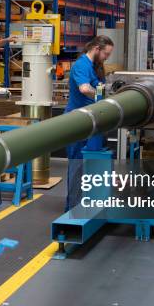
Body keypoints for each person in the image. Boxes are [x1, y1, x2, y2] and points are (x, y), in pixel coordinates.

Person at [64, 35, 114, 211]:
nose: (107, 57)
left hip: (93, 121)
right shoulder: (81, 65)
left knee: (93, 163)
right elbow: (84, 88)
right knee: (77, 165)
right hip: (77, 122)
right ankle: (73, 209)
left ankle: (91, 204)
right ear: (96, 49)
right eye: (106, 54)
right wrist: (104, 98)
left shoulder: (95, 66)